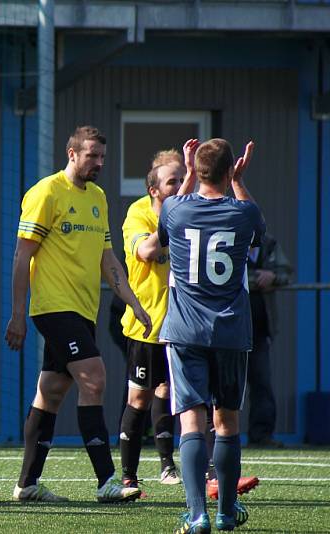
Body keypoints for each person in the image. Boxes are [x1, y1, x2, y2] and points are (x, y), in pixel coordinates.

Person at [5, 125, 150, 504]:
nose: (99, 163)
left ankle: (27, 484)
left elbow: (107, 257)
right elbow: (23, 256)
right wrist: (18, 314)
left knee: (51, 391)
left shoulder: (98, 197)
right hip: (53, 307)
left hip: (84, 309)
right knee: (95, 378)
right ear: (72, 154)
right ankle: (106, 481)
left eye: (102, 157)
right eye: (92, 156)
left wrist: (133, 301)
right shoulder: (46, 192)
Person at [159, 138, 263, 533]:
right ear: (229, 169)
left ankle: (197, 512)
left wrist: (188, 174)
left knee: (192, 420)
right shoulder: (244, 213)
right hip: (231, 329)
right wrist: (237, 181)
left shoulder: (175, 208)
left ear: (196, 170)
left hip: (186, 330)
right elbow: (257, 228)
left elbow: (170, 218)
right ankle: (226, 512)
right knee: (228, 420)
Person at [118, 150, 185, 488]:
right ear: (154, 190)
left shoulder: (190, 211)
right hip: (145, 323)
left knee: (173, 394)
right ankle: (128, 477)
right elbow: (145, 251)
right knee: (140, 398)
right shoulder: (138, 213)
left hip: (182, 326)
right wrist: (171, 220)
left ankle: (169, 466)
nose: (182, 186)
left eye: (184, 179)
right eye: (174, 181)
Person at [245, 233, 291, 447]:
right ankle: (218, 436)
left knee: (262, 383)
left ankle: (261, 435)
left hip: (261, 331)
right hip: (233, 329)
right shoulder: (231, 239)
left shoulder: (270, 244)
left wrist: (273, 276)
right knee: (224, 385)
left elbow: (286, 273)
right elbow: (227, 274)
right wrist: (259, 278)